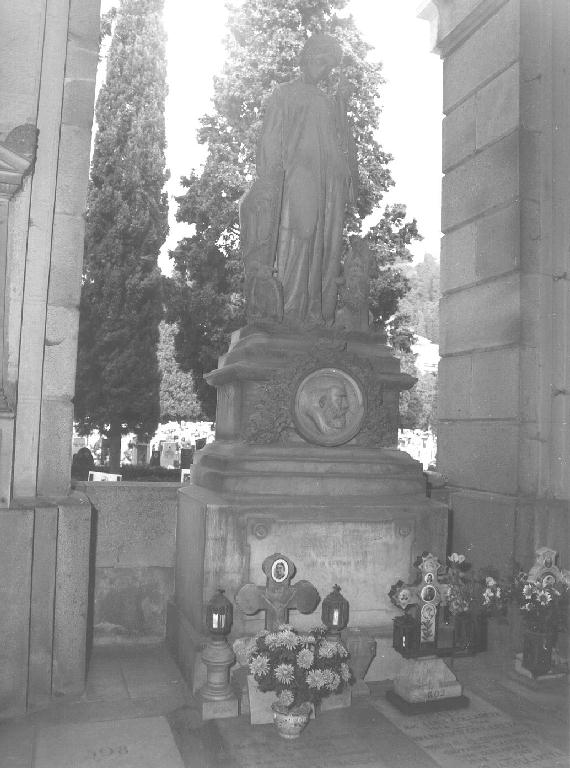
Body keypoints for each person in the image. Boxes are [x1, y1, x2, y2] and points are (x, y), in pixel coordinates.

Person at [240, 33, 358, 326]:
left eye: (329, 66)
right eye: (320, 61)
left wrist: (342, 103)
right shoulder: (284, 93)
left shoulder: (327, 102)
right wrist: (270, 179)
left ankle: (314, 312)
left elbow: (339, 144)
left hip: (323, 188)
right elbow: (270, 138)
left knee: (320, 251)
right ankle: (290, 311)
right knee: (294, 244)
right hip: (293, 183)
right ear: (305, 58)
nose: (324, 70)